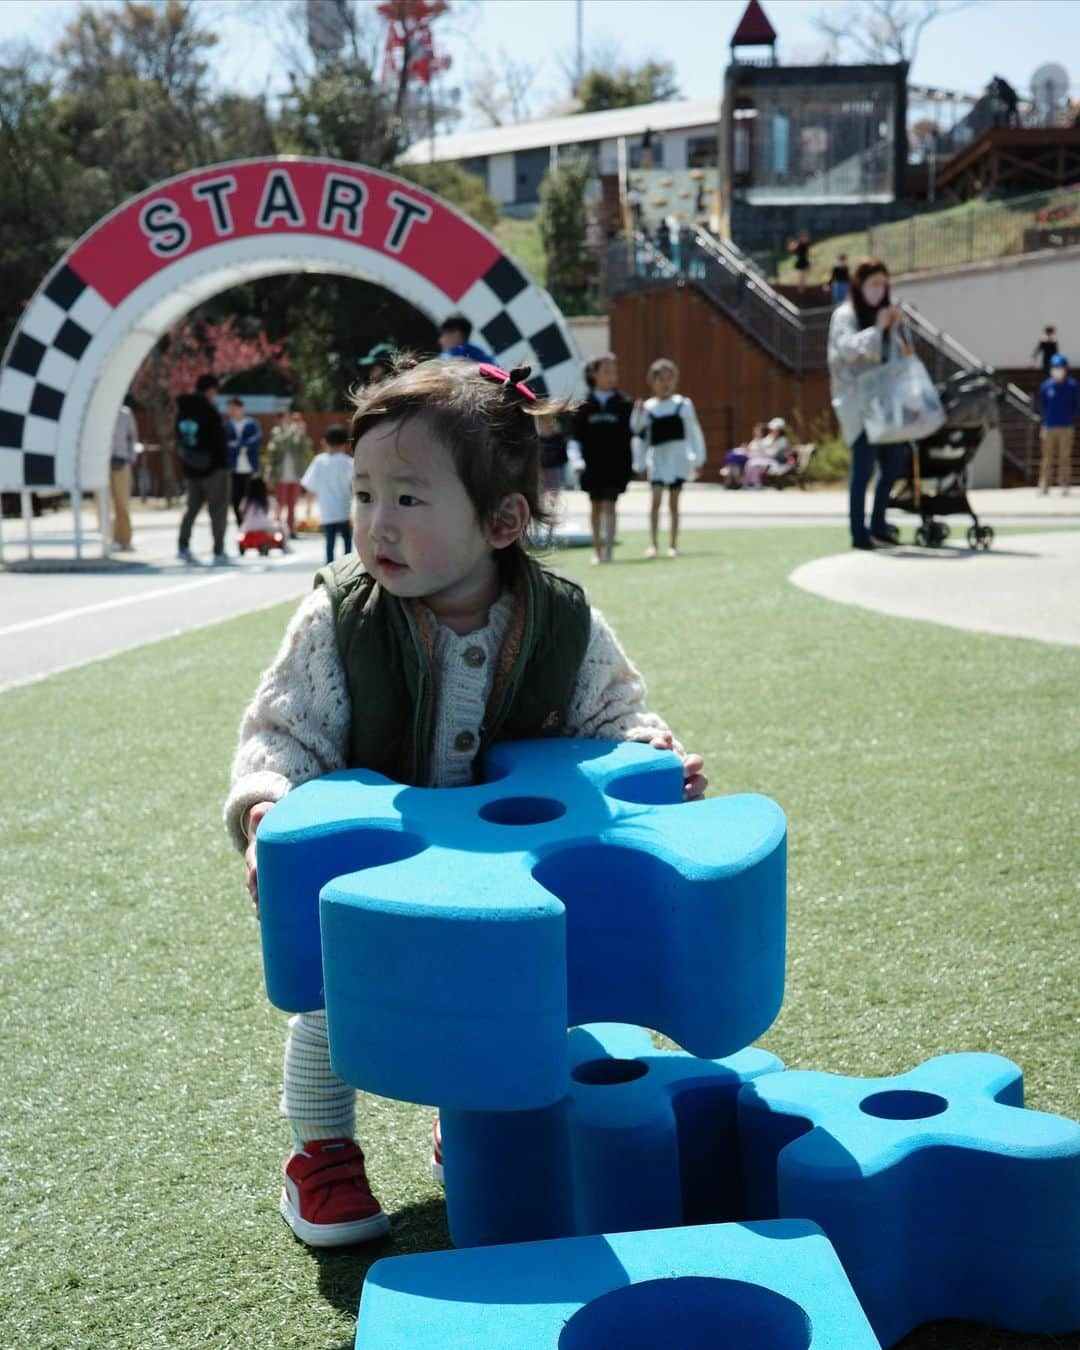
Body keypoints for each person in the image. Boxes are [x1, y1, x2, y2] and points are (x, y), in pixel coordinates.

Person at [223, 356, 707, 1249]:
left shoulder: (562, 620)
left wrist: (653, 754)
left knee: (519, 990)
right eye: (365, 494)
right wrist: (267, 806)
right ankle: (322, 1153)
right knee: (336, 1000)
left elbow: (616, 714)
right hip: (371, 875)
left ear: (503, 520)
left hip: (509, 875)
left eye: (409, 499)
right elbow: (281, 731)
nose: (376, 523)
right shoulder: (340, 619)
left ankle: (477, 1116)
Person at [828, 257, 906, 550]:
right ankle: (859, 533)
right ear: (860, 285)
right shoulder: (845, 315)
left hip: (885, 403)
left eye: (883, 285)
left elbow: (896, 357)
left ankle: (879, 524)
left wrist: (894, 328)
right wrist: (877, 329)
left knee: (893, 462)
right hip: (859, 404)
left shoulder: (885, 315)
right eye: (873, 284)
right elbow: (847, 350)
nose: (878, 290)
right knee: (863, 467)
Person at [631, 358, 706, 558]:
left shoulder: (683, 404)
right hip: (657, 460)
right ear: (652, 382)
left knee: (674, 502)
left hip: (678, 460)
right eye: (660, 379)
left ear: (675, 380)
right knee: (655, 501)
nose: (665, 383)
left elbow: (694, 432)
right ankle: (654, 543)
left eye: (669, 378)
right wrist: (638, 463)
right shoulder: (647, 407)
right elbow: (639, 434)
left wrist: (698, 459)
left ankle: (673, 544)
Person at [567, 354, 634, 564]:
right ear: (593, 374)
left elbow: (634, 434)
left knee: (611, 505)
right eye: (606, 371)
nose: (611, 375)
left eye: (614, 371)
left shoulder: (624, 403)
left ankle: (609, 551)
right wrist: (577, 461)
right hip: (592, 465)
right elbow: (575, 438)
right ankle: (597, 550)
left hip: (616, 464)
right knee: (595, 505)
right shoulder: (583, 405)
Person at [176, 373, 230, 564]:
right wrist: (223, 463)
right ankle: (218, 550)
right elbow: (218, 442)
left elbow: (180, 440)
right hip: (213, 469)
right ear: (210, 390)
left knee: (191, 509)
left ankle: (182, 546)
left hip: (191, 468)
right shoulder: (210, 411)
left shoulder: (183, 409)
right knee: (218, 510)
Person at [301, 424, 354, 563]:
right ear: (345, 444)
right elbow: (355, 485)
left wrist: (308, 508)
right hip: (344, 509)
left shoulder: (319, 461)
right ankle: (347, 567)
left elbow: (310, 486)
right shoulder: (349, 463)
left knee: (330, 543)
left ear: (324, 442)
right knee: (347, 541)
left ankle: (329, 567)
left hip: (327, 510)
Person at [266, 412, 311, 539]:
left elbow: (305, 449)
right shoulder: (276, 431)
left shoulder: (295, 433)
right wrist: (292, 432)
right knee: (280, 504)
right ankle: (277, 529)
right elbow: (280, 445)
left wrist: (303, 434)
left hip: (295, 475)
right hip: (281, 475)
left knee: (292, 505)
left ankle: (291, 530)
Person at [1037, 353, 1077, 496]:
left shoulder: (1072, 386)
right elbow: (1042, 405)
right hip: (1049, 426)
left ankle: (1064, 483)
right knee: (1047, 457)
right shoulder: (1046, 386)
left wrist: (1070, 417)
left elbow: (1076, 405)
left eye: (1060, 367)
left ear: (1065, 369)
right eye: (1055, 367)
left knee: (1065, 457)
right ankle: (1044, 484)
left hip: (1066, 426)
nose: (1057, 370)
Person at [225, 396, 263, 527]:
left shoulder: (251, 423)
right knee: (236, 498)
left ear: (241, 409)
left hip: (250, 467)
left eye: (234, 408)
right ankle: (240, 524)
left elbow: (257, 439)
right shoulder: (228, 425)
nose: (232, 411)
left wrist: (239, 444)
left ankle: (252, 523)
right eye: (230, 409)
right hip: (234, 468)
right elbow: (226, 444)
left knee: (252, 498)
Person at [106, 402, 139, 553]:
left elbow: (133, 437)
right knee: (106, 504)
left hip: (122, 461)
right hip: (104, 463)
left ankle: (125, 539)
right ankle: (111, 538)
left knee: (122, 502)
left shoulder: (125, 413)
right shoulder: (101, 412)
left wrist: (131, 458)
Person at [537, 410, 568, 534]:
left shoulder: (558, 438)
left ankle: (550, 531)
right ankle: (539, 529)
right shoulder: (536, 439)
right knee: (539, 502)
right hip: (540, 472)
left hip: (554, 471)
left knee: (552, 503)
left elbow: (563, 457)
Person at [743, 417, 790, 488]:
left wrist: (766, 451)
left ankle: (756, 483)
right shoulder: (769, 438)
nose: (773, 431)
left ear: (780, 430)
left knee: (753, 464)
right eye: (772, 429)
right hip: (764, 459)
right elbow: (762, 448)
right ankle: (750, 483)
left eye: (775, 430)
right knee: (750, 463)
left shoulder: (783, 441)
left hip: (775, 462)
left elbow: (773, 454)